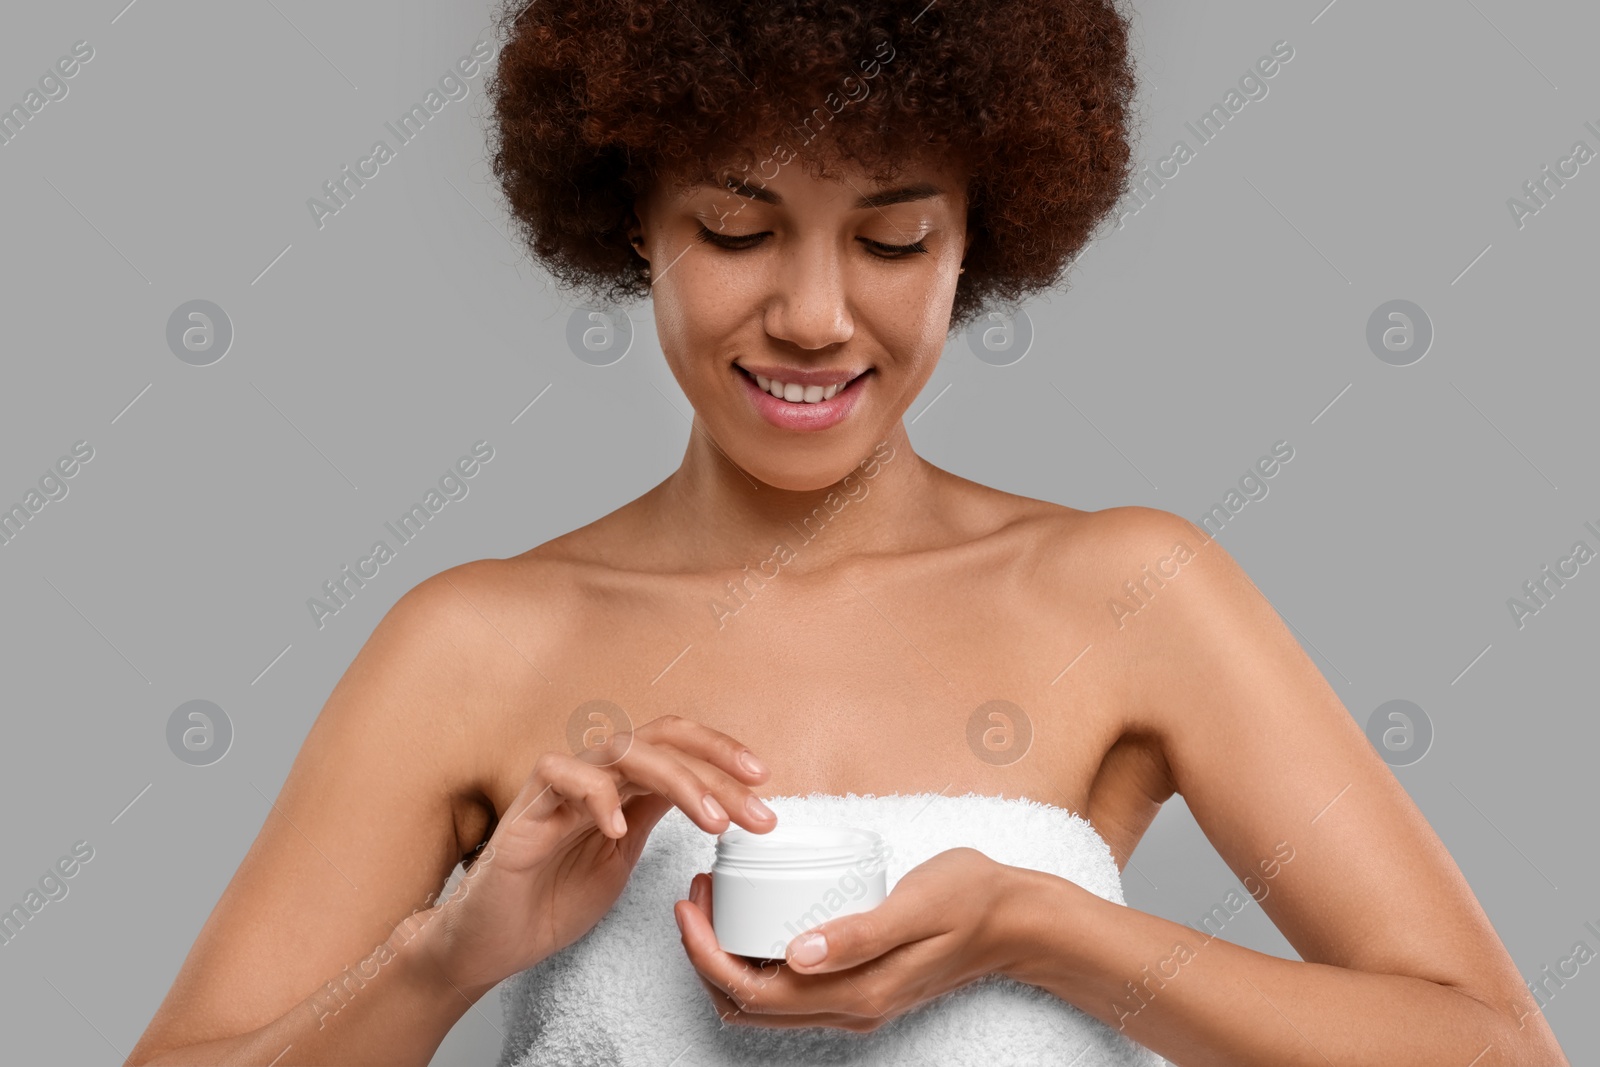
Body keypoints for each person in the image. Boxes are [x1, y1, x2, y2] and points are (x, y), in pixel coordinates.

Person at [128, 0, 1571, 1064]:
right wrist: (446, 962)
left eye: (892, 241)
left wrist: (1047, 931)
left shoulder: (1131, 596)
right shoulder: (477, 645)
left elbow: (1491, 1050)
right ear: (635, 216)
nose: (816, 314)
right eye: (740, 231)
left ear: (979, 238)